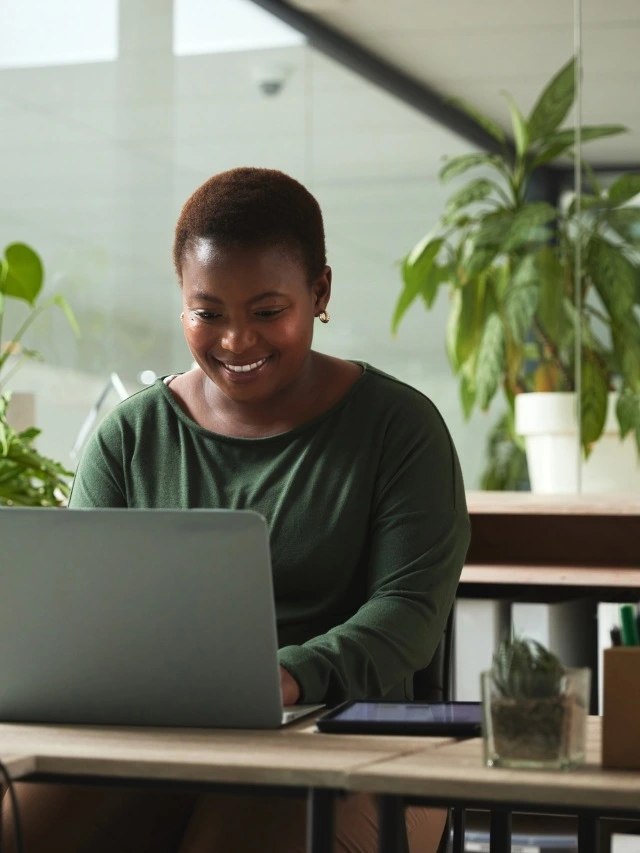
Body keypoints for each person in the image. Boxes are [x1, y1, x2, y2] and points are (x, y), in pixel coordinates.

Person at [2, 167, 471, 853]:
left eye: (267, 310)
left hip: (363, 741)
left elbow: (407, 616)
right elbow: (90, 619)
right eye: (208, 312)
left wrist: (287, 675)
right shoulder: (129, 437)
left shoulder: (399, 427)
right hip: (158, 741)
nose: (235, 341)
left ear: (320, 292)